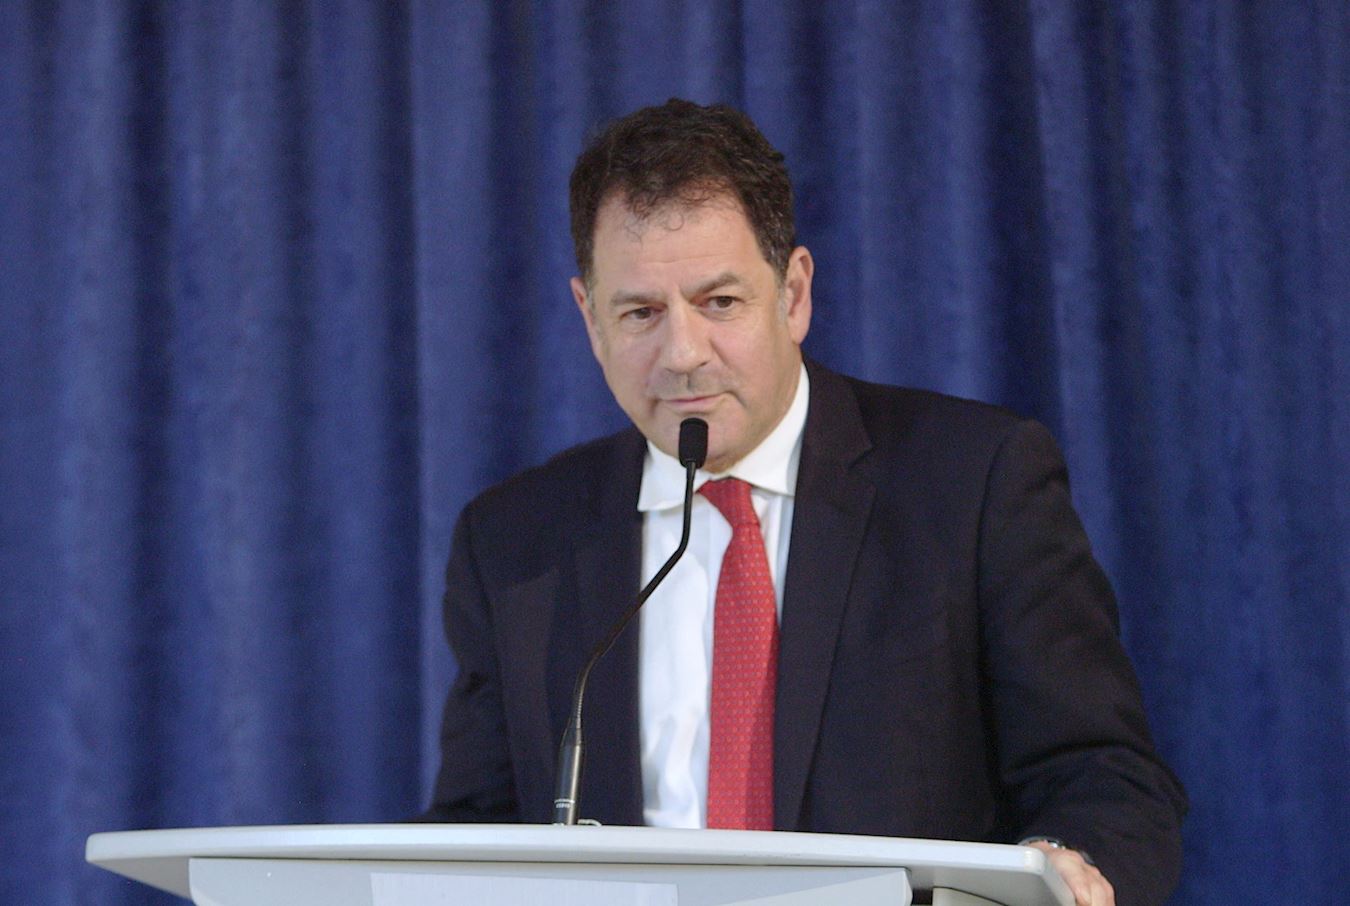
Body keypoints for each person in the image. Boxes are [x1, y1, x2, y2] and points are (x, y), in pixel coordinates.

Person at [422, 99, 1187, 906]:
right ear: (589, 319)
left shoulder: (973, 483)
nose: (682, 354)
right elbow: (476, 834)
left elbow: (1105, 777)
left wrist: (1056, 868)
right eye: (641, 313)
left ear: (793, 295)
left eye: (719, 303)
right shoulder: (514, 543)